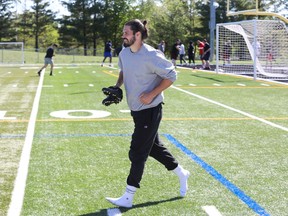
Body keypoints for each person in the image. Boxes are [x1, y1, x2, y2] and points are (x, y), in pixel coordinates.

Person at [105, 19, 190, 208]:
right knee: (153, 148)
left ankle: (128, 196)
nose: (123, 35)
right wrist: (117, 86)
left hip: (151, 110)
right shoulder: (124, 53)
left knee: (138, 151)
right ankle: (181, 173)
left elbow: (172, 75)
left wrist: (152, 94)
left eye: (126, 32)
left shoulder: (152, 55)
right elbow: (123, 70)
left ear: (137, 34)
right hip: (136, 111)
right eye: (123, 32)